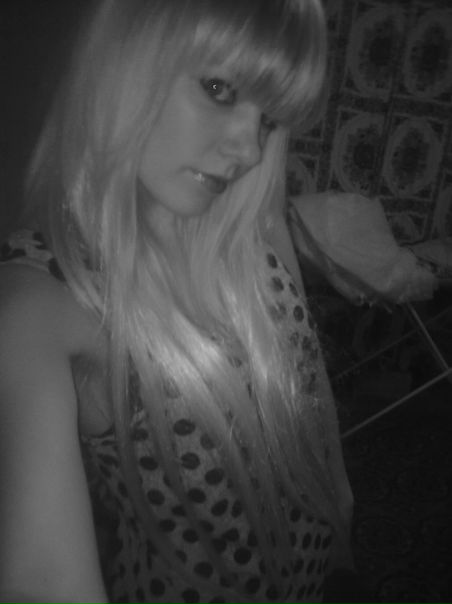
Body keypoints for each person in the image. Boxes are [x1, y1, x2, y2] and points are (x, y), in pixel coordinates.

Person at [0, 0, 354, 602]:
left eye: (268, 119)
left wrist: (341, 497)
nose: (248, 150)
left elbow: (306, 378)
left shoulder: (246, 221)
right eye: (218, 88)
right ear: (124, 61)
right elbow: (44, 582)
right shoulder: (42, 300)